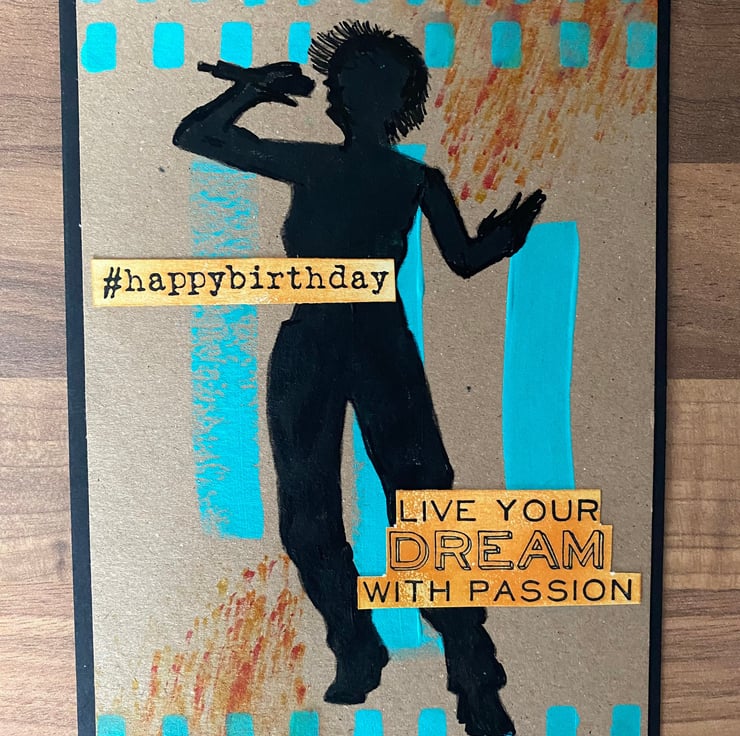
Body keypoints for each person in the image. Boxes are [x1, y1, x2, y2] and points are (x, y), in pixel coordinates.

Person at [174, 20, 545, 736]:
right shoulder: (317, 164)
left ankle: (473, 672)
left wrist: (506, 239)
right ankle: (355, 643)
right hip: (312, 346)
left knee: (425, 505)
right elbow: (196, 137)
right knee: (306, 513)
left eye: (357, 82)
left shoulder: (410, 179)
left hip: (377, 347)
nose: (341, 91)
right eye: (342, 81)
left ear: (392, 100)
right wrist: (250, 89)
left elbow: (464, 259)